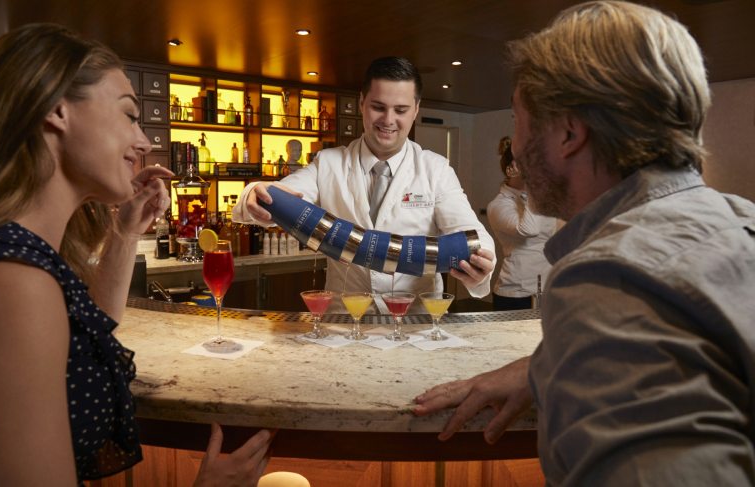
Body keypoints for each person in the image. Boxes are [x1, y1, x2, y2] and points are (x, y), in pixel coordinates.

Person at [413, 1, 755, 485]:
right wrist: (544, 364)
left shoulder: (609, 281)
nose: (514, 144)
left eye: (518, 120)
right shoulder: (742, 220)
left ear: (569, 132)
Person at [0, 24, 272, 486]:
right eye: (128, 115)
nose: (143, 142)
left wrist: (124, 231)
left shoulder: (17, 257)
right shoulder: (8, 279)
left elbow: (83, 349)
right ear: (55, 109)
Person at [234, 57, 495, 309]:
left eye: (401, 110)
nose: (388, 120)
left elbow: (471, 232)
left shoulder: (435, 169)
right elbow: (286, 192)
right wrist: (255, 194)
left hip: (415, 323)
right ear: (361, 103)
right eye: (378, 107)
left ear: (416, 109)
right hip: (344, 320)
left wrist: (482, 259)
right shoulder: (328, 163)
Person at [486, 136, 557, 310]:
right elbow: (529, 229)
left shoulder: (543, 198)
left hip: (548, 287)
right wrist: (533, 185)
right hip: (516, 291)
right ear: (511, 169)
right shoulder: (498, 205)